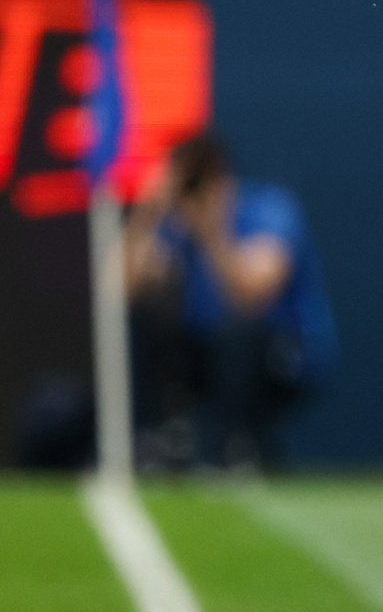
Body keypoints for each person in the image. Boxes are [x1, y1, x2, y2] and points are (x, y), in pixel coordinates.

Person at [124, 130, 335, 470]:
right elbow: (123, 289)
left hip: (276, 357)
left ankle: (236, 446)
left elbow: (251, 296)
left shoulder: (268, 208)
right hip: (201, 353)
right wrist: (146, 213)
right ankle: (151, 441)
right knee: (142, 321)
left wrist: (212, 231)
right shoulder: (173, 224)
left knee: (239, 333)